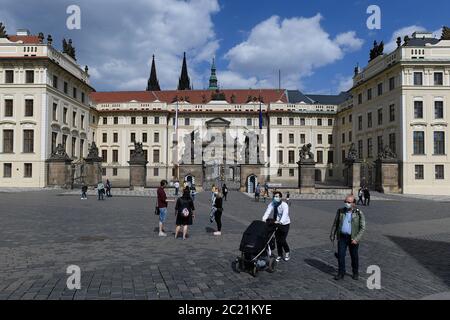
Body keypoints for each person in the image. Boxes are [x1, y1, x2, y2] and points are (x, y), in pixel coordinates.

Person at [330, 194, 366, 281]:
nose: (346, 203)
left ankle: (355, 272)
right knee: (341, 256)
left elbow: (362, 227)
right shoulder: (340, 211)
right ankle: (341, 273)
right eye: (345, 201)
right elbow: (335, 224)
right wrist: (332, 234)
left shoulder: (358, 213)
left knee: (354, 256)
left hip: (353, 238)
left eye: (348, 202)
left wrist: (356, 239)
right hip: (342, 237)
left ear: (354, 203)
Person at [262, 191, 291, 262]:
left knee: (282, 240)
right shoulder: (272, 204)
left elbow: (285, 214)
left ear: (280, 198)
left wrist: (281, 222)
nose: (275, 198)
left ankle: (287, 252)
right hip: (276, 223)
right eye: (274, 196)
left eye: (277, 196)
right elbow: (268, 211)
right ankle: (280, 255)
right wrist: (263, 219)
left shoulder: (284, 205)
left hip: (285, 224)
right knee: (278, 240)